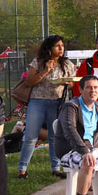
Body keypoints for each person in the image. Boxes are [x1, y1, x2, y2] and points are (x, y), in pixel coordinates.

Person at [19, 34, 78, 179]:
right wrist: (45, 70)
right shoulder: (38, 62)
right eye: (57, 46)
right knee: (31, 136)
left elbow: (73, 84)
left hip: (57, 102)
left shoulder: (67, 64)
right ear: (49, 48)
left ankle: (56, 168)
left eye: (62, 46)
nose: (60, 48)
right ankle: (22, 169)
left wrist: (67, 82)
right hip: (37, 101)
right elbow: (29, 82)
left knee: (54, 136)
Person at [53, 75, 98, 195]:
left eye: (96, 87)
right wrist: (84, 151)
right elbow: (70, 131)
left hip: (94, 149)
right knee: (88, 160)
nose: (93, 91)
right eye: (89, 87)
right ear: (80, 90)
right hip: (70, 150)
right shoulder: (71, 107)